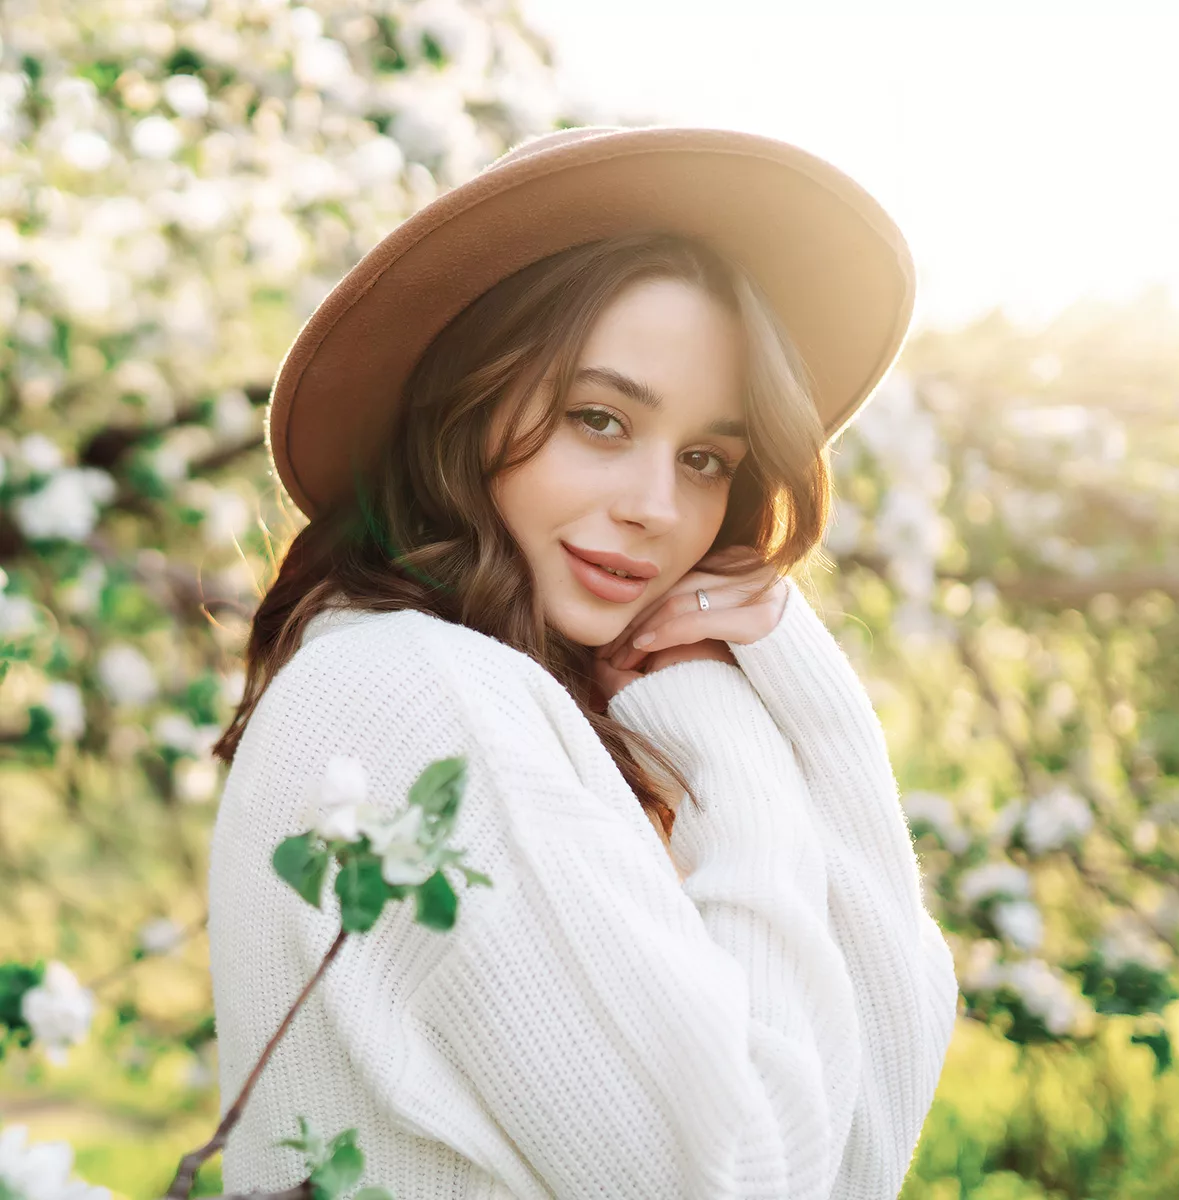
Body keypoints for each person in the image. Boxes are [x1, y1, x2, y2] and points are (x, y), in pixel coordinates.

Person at [207, 125, 959, 1198]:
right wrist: (728, 729)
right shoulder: (429, 698)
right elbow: (752, 1184)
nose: (658, 508)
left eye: (707, 458)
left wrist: (801, 694)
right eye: (599, 420)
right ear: (464, 405)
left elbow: (861, 1150)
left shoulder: (459, 690)